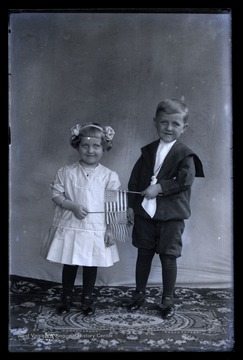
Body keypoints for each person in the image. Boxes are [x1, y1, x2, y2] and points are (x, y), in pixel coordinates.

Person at [125, 98, 204, 319]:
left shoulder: (185, 155)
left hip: (171, 216)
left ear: (184, 127)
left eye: (175, 124)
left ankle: (167, 299)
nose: (169, 128)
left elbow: (185, 181)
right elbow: (134, 181)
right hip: (145, 214)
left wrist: (159, 187)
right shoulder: (148, 151)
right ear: (155, 123)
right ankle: (138, 295)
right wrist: (131, 207)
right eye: (164, 122)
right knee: (143, 254)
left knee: (168, 257)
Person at [41, 122, 121, 315]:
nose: (90, 150)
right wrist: (73, 206)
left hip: (96, 228)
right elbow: (56, 195)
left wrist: (110, 230)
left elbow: (112, 206)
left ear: (104, 147)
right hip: (72, 225)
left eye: (96, 146)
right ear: (77, 145)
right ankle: (66, 299)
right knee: (70, 264)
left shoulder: (109, 176)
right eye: (85, 145)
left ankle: (87, 300)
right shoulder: (66, 172)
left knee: (90, 265)